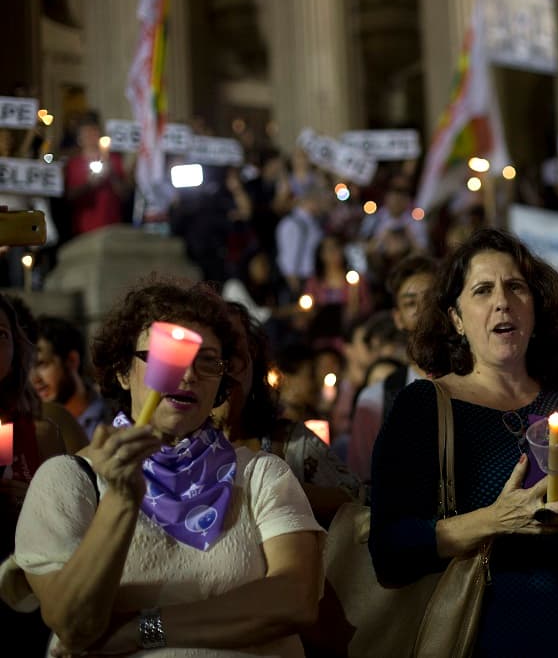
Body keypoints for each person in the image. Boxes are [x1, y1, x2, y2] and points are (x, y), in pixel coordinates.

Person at [11, 278, 323, 656]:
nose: (188, 374)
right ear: (124, 371)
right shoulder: (67, 480)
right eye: (166, 357)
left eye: (207, 361)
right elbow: (75, 625)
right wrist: (121, 502)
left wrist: (143, 629)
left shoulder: (261, 475)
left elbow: (294, 600)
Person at [369, 229, 558, 656]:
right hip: (482, 637)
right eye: (482, 290)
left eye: (515, 287)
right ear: (455, 317)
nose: (502, 301)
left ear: (536, 307)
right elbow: (390, 552)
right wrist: (494, 520)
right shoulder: (423, 406)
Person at [218, 302, 360, 527]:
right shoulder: (169, 447)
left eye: (234, 348)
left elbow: (359, 500)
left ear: (253, 359)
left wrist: (287, 492)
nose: (223, 364)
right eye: (208, 353)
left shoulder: (292, 443)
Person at [0, 296, 87, 654]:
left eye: (0, 334)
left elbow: (74, 533)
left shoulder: (42, 434)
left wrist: (32, 505)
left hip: (27, 609)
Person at [349, 254, 436, 483]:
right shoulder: (376, 400)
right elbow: (363, 487)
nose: (422, 310)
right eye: (410, 303)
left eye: (431, 299)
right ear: (398, 318)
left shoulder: (479, 385)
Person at [32, 316, 108, 440]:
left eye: (42, 364)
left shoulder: (115, 415)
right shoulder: (35, 428)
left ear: (72, 360)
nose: (34, 379)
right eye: (27, 368)